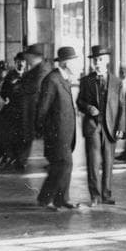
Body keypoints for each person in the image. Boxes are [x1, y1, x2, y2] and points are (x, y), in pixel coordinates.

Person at [77, 45, 125, 207]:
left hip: (110, 127)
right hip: (93, 126)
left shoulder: (117, 82)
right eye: (95, 60)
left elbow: (122, 106)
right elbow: (79, 101)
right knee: (93, 162)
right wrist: (88, 107)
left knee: (109, 162)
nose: (97, 63)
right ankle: (95, 196)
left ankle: (106, 194)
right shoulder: (86, 81)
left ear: (107, 61)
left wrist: (121, 127)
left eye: (100, 60)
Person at [36, 46, 80, 211]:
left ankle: (59, 199)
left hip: (65, 132)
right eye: (74, 61)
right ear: (65, 63)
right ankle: (48, 199)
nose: (77, 65)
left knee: (63, 165)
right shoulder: (52, 80)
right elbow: (42, 109)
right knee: (63, 164)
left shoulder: (64, 78)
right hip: (56, 133)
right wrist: (46, 131)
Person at [19, 43, 52, 169]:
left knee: (43, 135)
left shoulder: (43, 69)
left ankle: (52, 161)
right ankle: (22, 159)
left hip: (37, 107)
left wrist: (21, 89)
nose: (26, 58)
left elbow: (37, 87)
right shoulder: (35, 69)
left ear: (33, 56)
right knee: (27, 134)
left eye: (27, 56)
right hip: (30, 108)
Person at [0, 53, 26, 170]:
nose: (21, 64)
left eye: (23, 61)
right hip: (11, 113)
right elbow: (3, 94)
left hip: (23, 112)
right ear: (15, 62)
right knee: (11, 136)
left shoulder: (28, 77)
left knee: (22, 137)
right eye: (19, 61)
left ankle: (20, 159)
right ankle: (9, 157)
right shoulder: (9, 77)